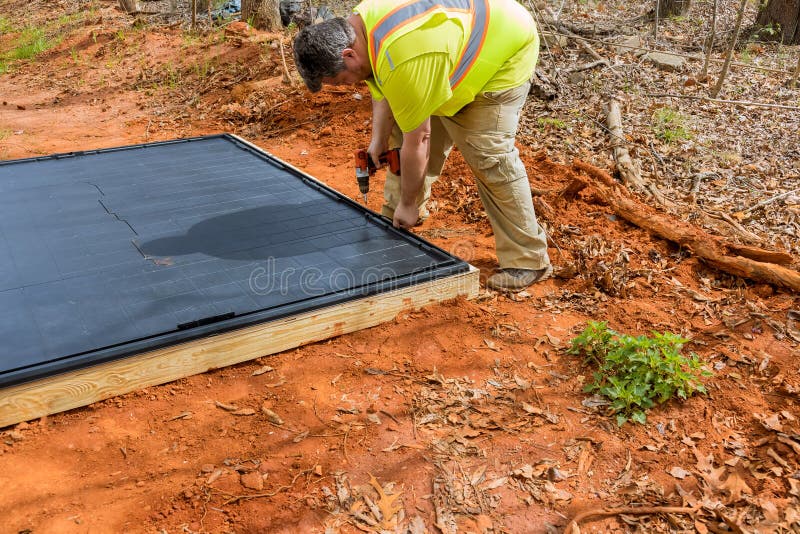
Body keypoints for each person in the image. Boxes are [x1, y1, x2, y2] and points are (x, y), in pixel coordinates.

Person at [292, 0, 552, 291]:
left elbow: (420, 138)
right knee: (400, 136)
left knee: (489, 157)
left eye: (341, 81)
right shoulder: (360, 28)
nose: (348, 86)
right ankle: (400, 216)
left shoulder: (403, 54)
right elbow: (385, 84)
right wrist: (378, 139)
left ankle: (528, 260)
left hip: (500, 52)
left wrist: (407, 202)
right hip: (441, 55)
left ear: (348, 54)